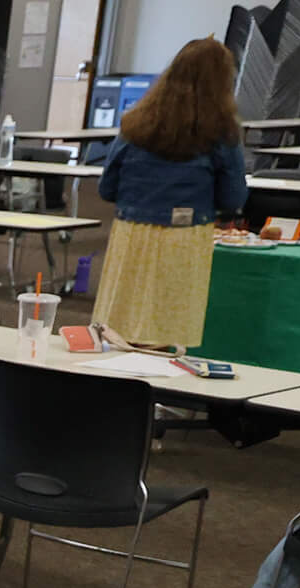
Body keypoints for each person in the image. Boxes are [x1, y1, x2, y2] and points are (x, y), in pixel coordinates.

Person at [94, 39, 247, 354]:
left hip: (130, 235)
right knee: (169, 328)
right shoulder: (222, 133)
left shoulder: (133, 125)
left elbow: (106, 188)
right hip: (185, 238)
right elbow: (233, 198)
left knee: (120, 325)